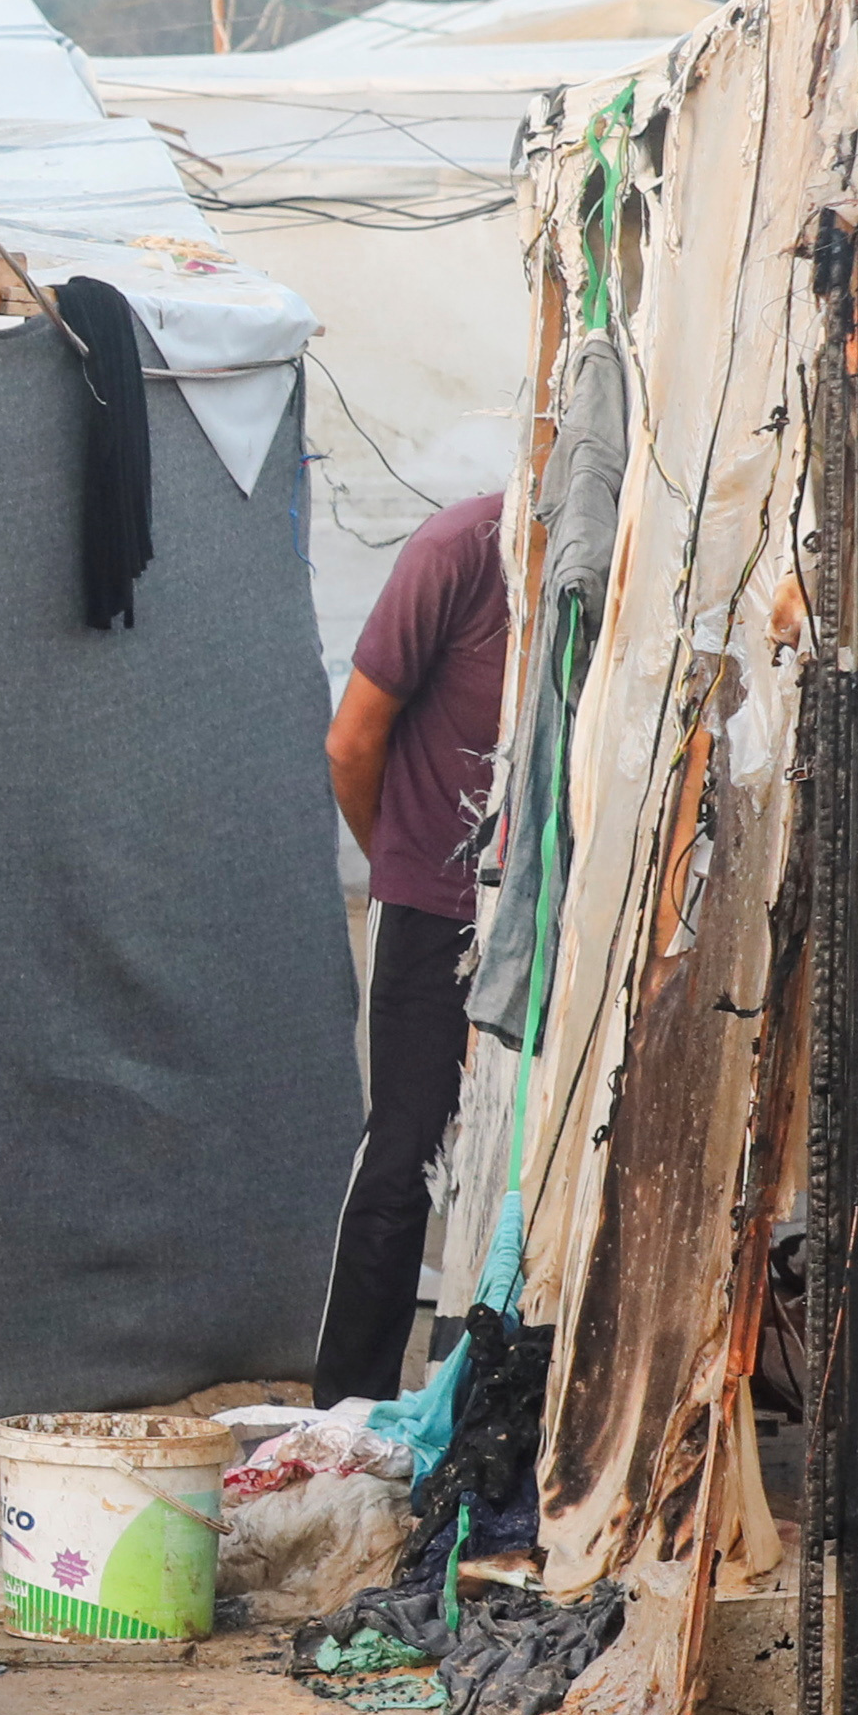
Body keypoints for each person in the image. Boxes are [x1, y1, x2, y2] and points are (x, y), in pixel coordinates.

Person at [314, 490, 512, 1405]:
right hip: (434, 898)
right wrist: (402, 864)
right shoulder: (458, 551)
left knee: (523, 1166)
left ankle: (482, 1407)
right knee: (403, 1155)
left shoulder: (634, 557)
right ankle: (347, 1412)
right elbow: (351, 742)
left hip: (556, 914)